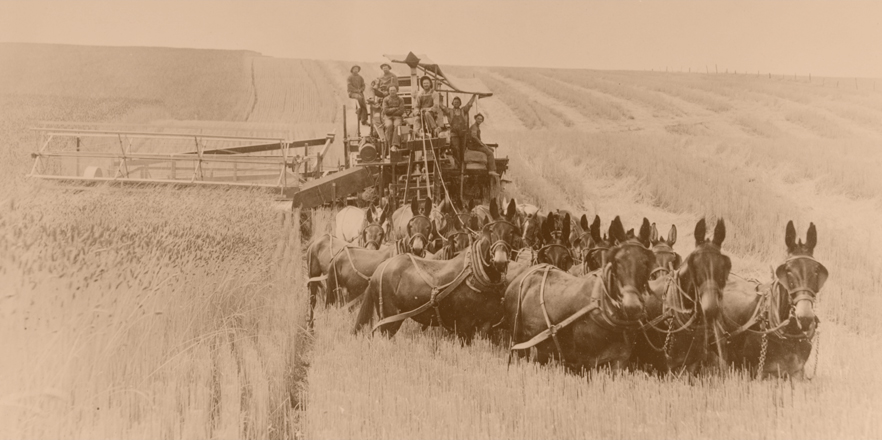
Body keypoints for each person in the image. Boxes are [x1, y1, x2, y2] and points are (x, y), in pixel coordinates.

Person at [440, 94, 477, 160]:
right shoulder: (449, 111)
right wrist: (438, 97)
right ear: (452, 103)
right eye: (455, 102)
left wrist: (474, 95)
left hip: (463, 133)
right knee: (455, 148)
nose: (456, 103)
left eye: (457, 102)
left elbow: (469, 104)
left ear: (460, 103)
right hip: (454, 133)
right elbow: (442, 106)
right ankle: (457, 164)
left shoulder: (463, 110)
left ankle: (462, 166)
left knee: (463, 149)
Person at [382, 86, 405, 153]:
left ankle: (395, 145)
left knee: (397, 126)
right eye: (391, 90)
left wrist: (391, 110)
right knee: (389, 125)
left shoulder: (400, 99)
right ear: (389, 91)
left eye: (394, 90)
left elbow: (401, 111)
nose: (392, 92)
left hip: (397, 117)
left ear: (396, 91)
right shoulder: (385, 99)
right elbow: (386, 111)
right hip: (388, 117)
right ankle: (389, 145)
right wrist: (395, 108)